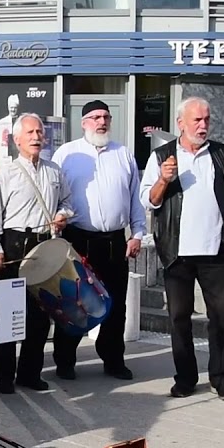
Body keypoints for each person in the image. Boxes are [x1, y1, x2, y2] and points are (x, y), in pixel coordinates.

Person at [140, 96, 224, 402]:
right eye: (197, 120)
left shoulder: (221, 154)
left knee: (222, 318)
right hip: (177, 253)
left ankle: (221, 378)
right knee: (179, 318)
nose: (203, 125)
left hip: (216, 251)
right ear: (181, 123)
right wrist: (164, 179)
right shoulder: (162, 156)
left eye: (207, 119)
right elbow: (149, 200)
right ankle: (186, 379)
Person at [51, 100, 147, 380]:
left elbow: (135, 198)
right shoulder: (67, 154)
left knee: (115, 304)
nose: (101, 122)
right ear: (84, 123)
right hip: (78, 239)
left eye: (106, 117)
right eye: (95, 117)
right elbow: (54, 195)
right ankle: (65, 361)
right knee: (74, 302)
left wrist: (137, 233)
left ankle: (113, 359)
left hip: (115, 241)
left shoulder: (123, 154)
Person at [0, 114, 73, 393]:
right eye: (30, 133)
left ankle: (29, 373)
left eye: (39, 132)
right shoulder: (5, 173)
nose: (36, 137)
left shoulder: (54, 171)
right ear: (17, 140)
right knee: (8, 314)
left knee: (39, 316)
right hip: (14, 244)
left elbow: (68, 202)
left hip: (44, 245)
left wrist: (62, 215)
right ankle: (3, 376)